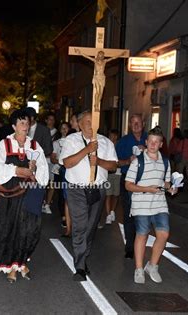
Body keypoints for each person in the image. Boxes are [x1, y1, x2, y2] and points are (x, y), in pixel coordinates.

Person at [0, 109, 49, 283]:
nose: (25, 126)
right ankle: (13, 266)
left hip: (29, 193)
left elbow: (44, 171)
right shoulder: (4, 144)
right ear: (14, 126)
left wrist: (34, 170)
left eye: (27, 123)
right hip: (9, 194)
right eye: (22, 122)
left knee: (29, 230)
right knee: (10, 228)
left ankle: (21, 261)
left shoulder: (35, 146)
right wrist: (16, 170)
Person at [59, 110, 118, 281]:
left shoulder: (106, 142)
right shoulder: (72, 140)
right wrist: (87, 149)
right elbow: (67, 163)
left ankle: (83, 258)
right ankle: (79, 267)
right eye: (87, 121)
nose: (90, 125)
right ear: (79, 123)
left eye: (93, 121)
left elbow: (113, 166)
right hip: (76, 189)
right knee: (80, 226)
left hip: (98, 189)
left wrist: (98, 161)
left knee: (90, 227)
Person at [124, 127, 177, 284]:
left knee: (163, 235)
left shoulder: (165, 162)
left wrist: (171, 187)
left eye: (157, 142)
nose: (153, 144)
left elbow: (166, 182)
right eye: (151, 141)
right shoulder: (137, 162)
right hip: (141, 204)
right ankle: (139, 269)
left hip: (160, 204)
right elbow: (128, 185)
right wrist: (146, 189)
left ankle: (152, 266)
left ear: (161, 144)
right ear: (146, 142)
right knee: (142, 234)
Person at [115, 114, 148, 259]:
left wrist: (147, 151)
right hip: (128, 180)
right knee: (129, 214)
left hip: (146, 181)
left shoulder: (151, 139)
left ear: (143, 123)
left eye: (138, 122)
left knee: (143, 215)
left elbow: (161, 157)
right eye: (133, 123)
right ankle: (130, 247)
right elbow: (115, 163)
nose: (136, 125)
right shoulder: (123, 142)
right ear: (129, 125)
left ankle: (139, 244)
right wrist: (129, 160)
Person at [24, 107, 53, 214]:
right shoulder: (22, 128)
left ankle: (34, 215)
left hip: (38, 168)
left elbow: (49, 149)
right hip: (23, 167)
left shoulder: (44, 130)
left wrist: (36, 155)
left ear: (32, 118)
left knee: (35, 194)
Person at [51, 122, 72, 236]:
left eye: (66, 128)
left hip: (70, 170)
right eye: (62, 128)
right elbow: (53, 158)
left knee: (69, 195)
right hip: (59, 170)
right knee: (61, 193)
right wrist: (59, 160)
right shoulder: (56, 142)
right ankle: (64, 216)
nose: (64, 130)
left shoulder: (73, 141)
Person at [103, 129, 120, 226]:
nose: (112, 138)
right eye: (110, 135)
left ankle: (113, 211)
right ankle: (108, 214)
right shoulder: (106, 145)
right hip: (108, 172)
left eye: (114, 136)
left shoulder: (119, 145)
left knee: (116, 194)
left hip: (118, 172)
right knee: (108, 194)